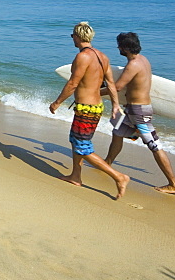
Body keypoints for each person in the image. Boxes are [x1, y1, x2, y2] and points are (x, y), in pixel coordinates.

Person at [49, 22, 129, 199]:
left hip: (86, 110)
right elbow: (111, 84)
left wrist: (57, 102)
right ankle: (76, 175)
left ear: (78, 36)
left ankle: (119, 177)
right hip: (95, 108)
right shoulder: (103, 57)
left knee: (83, 148)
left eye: (72, 36)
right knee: (75, 140)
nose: (72, 39)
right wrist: (115, 104)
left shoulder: (83, 57)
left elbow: (73, 83)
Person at [104, 32, 175, 195]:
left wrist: (92, 92)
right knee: (117, 133)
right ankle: (107, 164)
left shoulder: (133, 65)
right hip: (134, 110)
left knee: (154, 145)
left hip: (139, 112)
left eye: (119, 45)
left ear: (125, 47)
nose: (117, 47)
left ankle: (174, 184)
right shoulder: (143, 60)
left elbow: (117, 87)